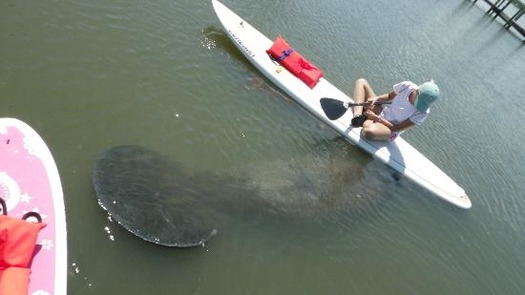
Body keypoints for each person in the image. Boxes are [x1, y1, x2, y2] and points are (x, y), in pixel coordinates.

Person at [350, 78, 439, 141]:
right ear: (417, 91)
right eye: (418, 101)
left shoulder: (423, 112)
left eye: (422, 104)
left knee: (368, 132)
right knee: (361, 82)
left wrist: (376, 118)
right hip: (382, 113)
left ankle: (367, 118)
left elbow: (397, 128)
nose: (417, 106)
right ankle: (357, 116)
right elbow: (389, 96)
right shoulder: (407, 86)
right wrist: (376, 99)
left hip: (390, 128)